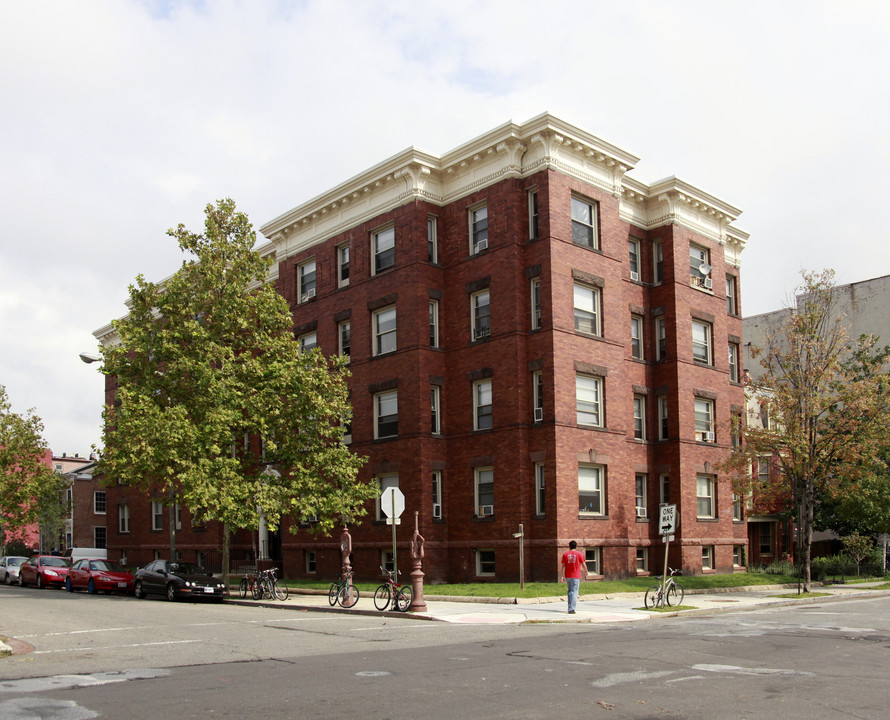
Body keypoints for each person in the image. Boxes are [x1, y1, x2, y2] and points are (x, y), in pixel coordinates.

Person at [558, 541, 588, 614]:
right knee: (574, 592)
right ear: (576, 546)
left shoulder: (565, 554)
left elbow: (563, 566)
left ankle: (569, 607)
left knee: (570, 591)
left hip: (568, 575)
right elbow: (583, 564)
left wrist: (562, 576)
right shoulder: (579, 554)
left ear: (569, 546)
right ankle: (571, 609)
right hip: (576, 575)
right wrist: (586, 571)